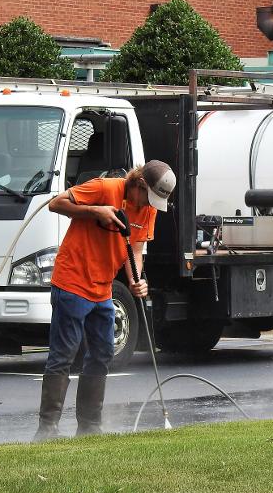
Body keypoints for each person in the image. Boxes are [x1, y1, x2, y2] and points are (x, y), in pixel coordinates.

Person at [34, 160, 177, 440]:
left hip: (103, 288)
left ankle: (89, 427)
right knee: (64, 353)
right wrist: (93, 211)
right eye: (149, 197)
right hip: (73, 280)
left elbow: (135, 248)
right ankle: (47, 428)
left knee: (102, 353)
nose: (150, 205)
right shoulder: (104, 188)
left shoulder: (148, 209)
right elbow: (56, 204)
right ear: (139, 185)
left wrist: (136, 279)